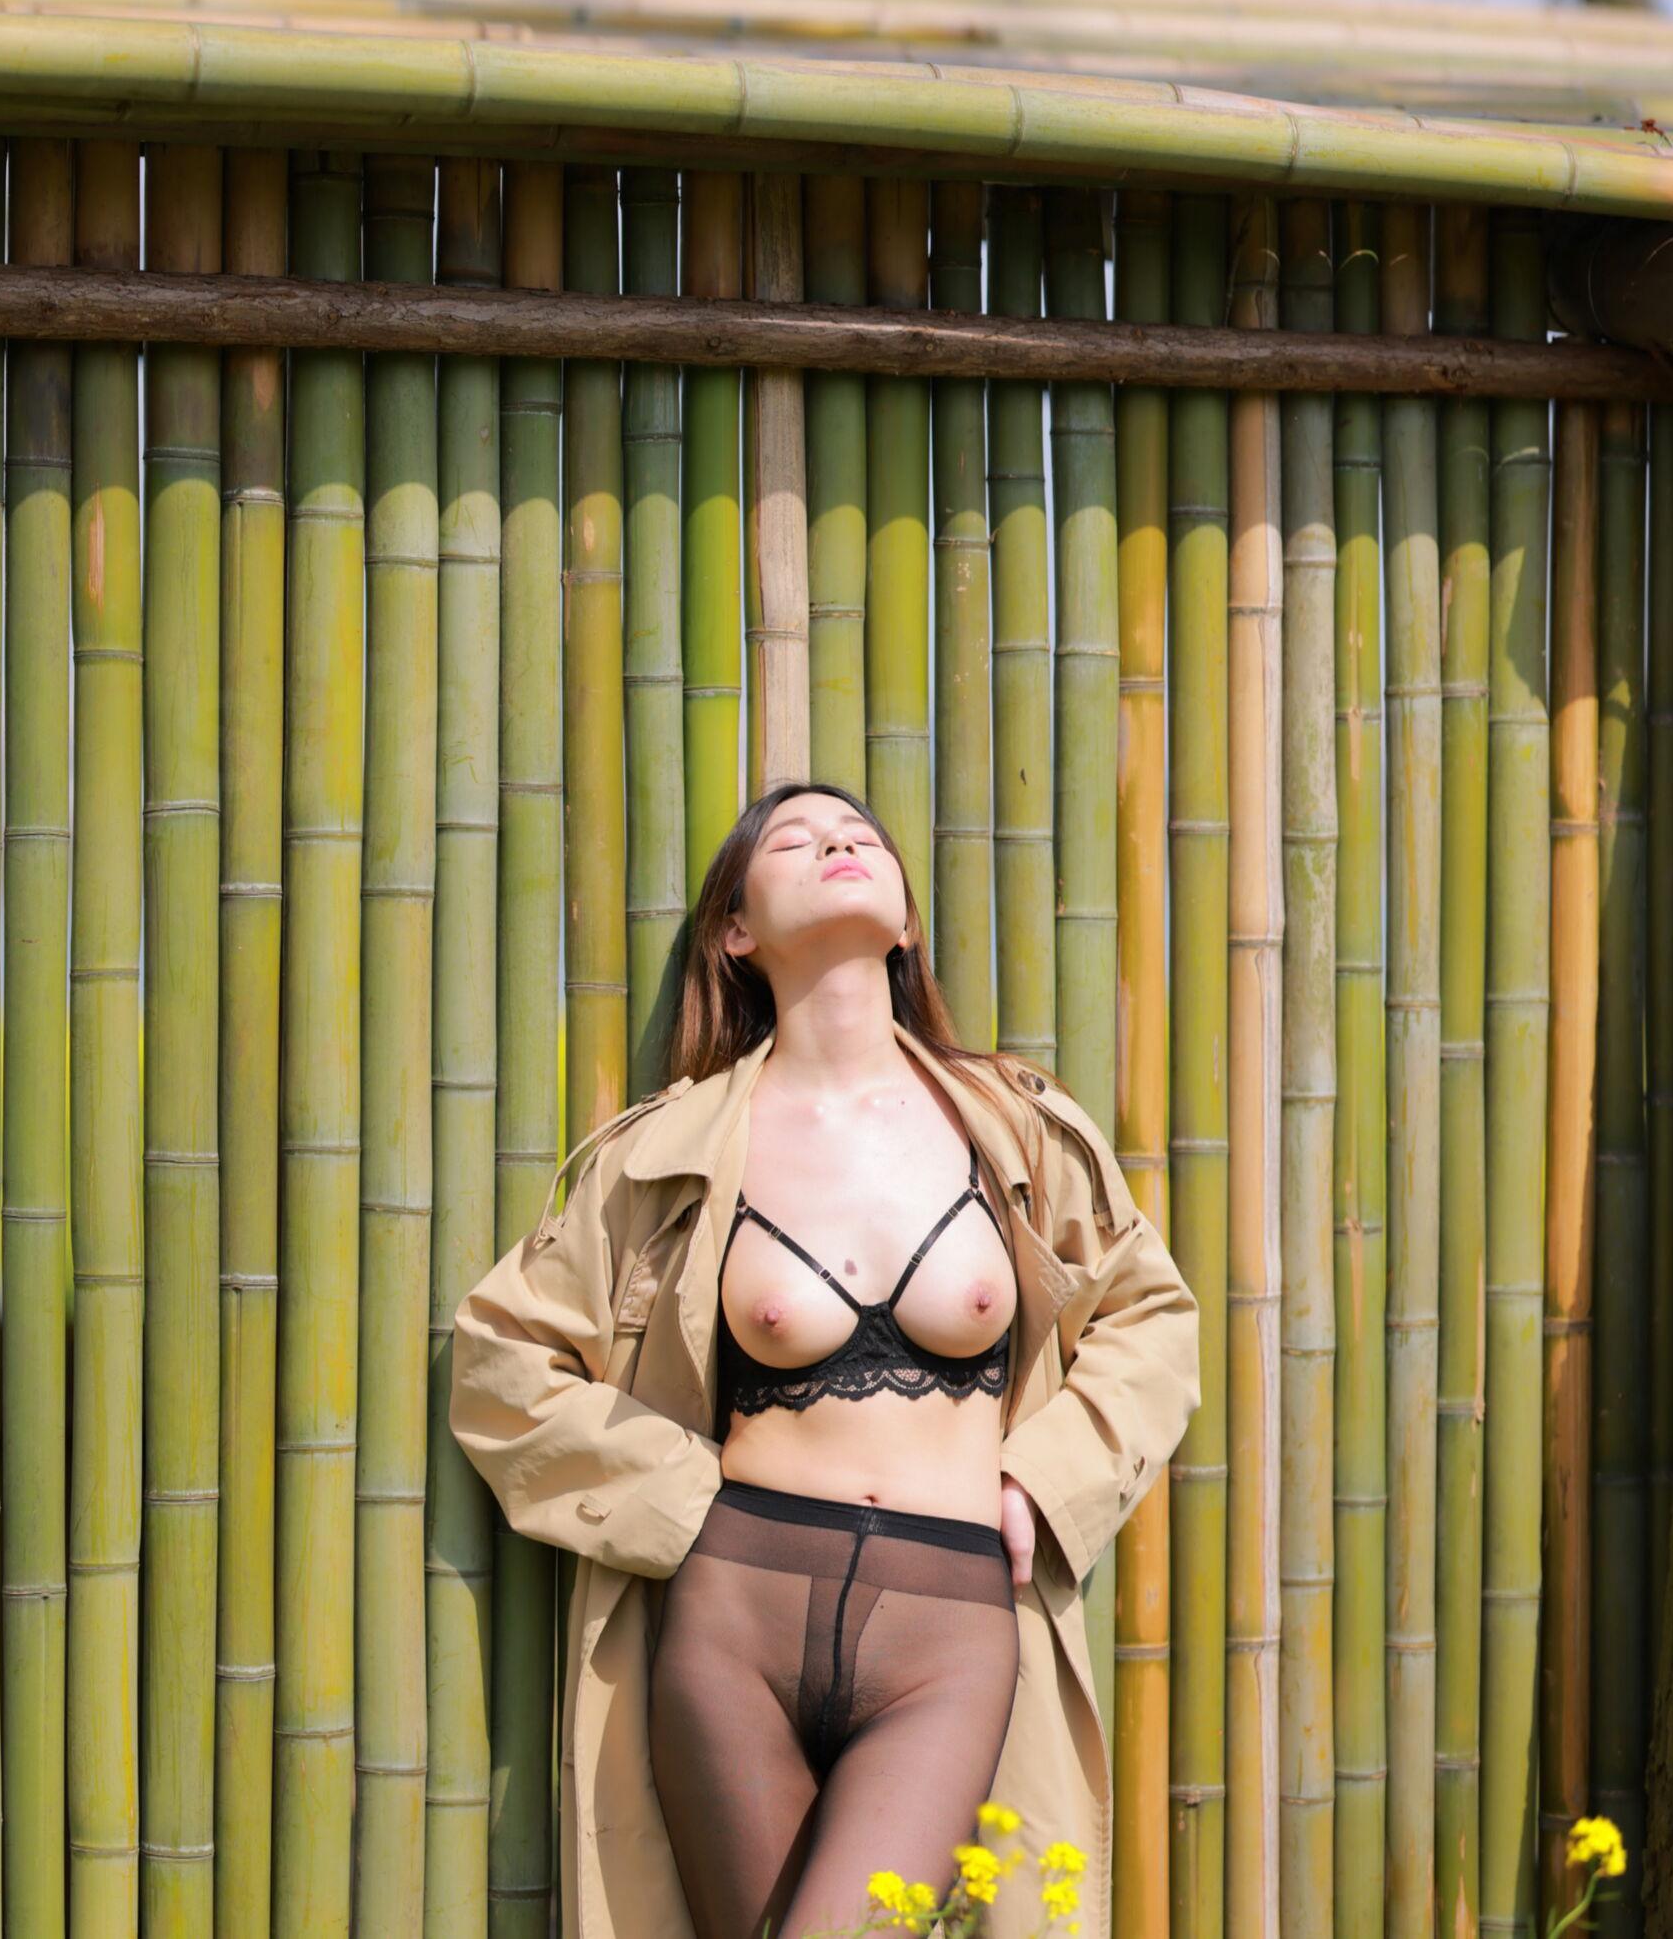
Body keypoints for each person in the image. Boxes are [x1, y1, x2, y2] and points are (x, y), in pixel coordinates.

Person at [450, 780, 1199, 1939]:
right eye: (794, 838)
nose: (836, 841)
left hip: (948, 1627)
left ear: (906, 919)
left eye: (860, 834)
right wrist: (678, 1494)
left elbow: (1150, 1314)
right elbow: (503, 1355)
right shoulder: (661, 1153)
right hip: (730, 1617)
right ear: (735, 931)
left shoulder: (1019, 1126)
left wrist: (1046, 1479)